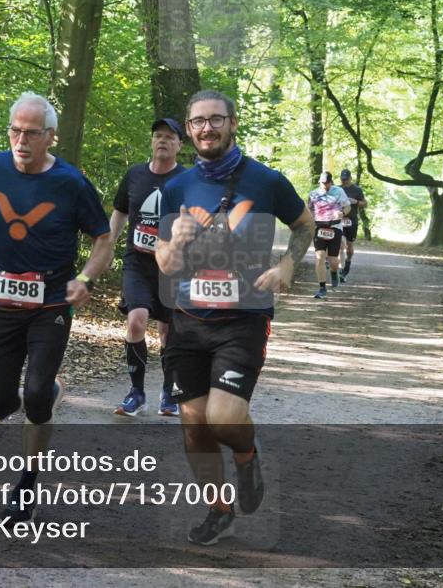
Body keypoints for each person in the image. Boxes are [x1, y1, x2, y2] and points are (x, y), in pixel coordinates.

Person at [156, 90, 315, 545]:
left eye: (216, 120)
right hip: (187, 319)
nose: (207, 128)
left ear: (232, 123)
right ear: (189, 130)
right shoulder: (177, 188)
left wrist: (287, 265)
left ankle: (246, 455)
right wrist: (176, 243)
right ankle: (218, 509)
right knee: (194, 423)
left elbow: (304, 224)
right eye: (198, 122)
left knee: (223, 418)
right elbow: (164, 264)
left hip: (243, 319)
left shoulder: (265, 182)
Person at [0, 92, 112, 524]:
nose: (20, 140)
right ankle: (39, 396)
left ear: (50, 137)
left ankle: (26, 485)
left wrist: (84, 279)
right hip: (2, 297)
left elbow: (103, 239)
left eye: (30, 133)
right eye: (15, 130)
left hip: (51, 303)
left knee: (38, 396)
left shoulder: (71, 183)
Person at [109, 118, 187, 417]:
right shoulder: (135, 176)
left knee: (169, 334)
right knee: (136, 321)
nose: (163, 141)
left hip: (174, 268)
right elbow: (118, 215)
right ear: (152, 141)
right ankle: (136, 392)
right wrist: (105, 247)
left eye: (170, 137)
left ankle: (168, 392)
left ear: (180, 144)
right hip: (137, 263)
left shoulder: (186, 180)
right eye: (158, 136)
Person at [307, 171, 351, 299]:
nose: (324, 185)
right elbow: (309, 208)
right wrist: (310, 219)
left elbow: (348, 206)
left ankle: (333, 272)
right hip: (319, 227)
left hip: (335, 227)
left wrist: (342, 213)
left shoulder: (339, 191)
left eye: (326, 183)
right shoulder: (313, 194)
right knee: (320, 256)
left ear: (331, 182)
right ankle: (322, 287)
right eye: (322, 183)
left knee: (333, 259)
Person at [338, 169, 368, 282]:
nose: (344, 181)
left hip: (352, 220)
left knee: (349, 247)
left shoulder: (357, 189)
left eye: (346, 179)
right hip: (339, 219)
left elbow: (365, 203)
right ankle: (339, 270)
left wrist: (355, 202)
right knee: (340, 243)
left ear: (350, 178)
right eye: (342, 179)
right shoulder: (337, 189)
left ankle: (348, 263)